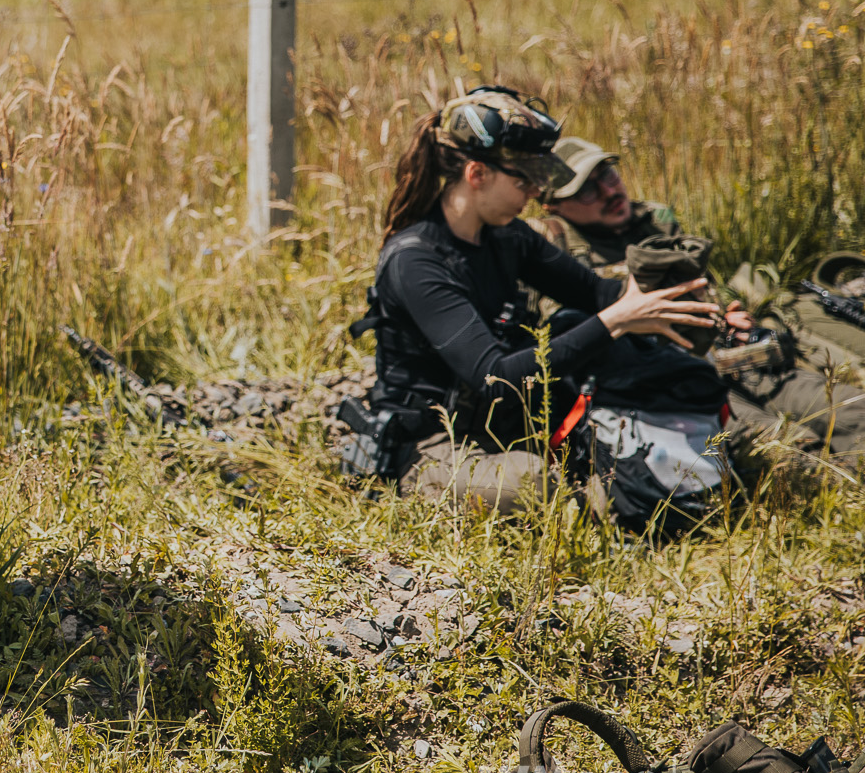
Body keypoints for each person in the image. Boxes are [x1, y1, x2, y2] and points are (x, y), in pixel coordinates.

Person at [352, 88, 724, 515]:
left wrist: (669, 297)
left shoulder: (507, 234)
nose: (533, 193)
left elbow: (596, 294)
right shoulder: (415, 261)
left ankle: (639, 482)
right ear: (477, 175)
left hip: (514, 422)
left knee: (628, 359)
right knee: (531, 485)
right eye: (524, 180)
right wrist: (617, 321)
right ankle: (613, 500)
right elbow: (495, 378)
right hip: (434, 443)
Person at [536, 138, 865, 473]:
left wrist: (724, 317)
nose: (609, 192)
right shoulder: (551, 251)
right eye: (586, 191)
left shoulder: (655, 222)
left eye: (607, 175)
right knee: (790, 453)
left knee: (853, 411)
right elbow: (566, 334)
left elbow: (701, 290)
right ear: (553, 205)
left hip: (734, 362)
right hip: (669, 387)